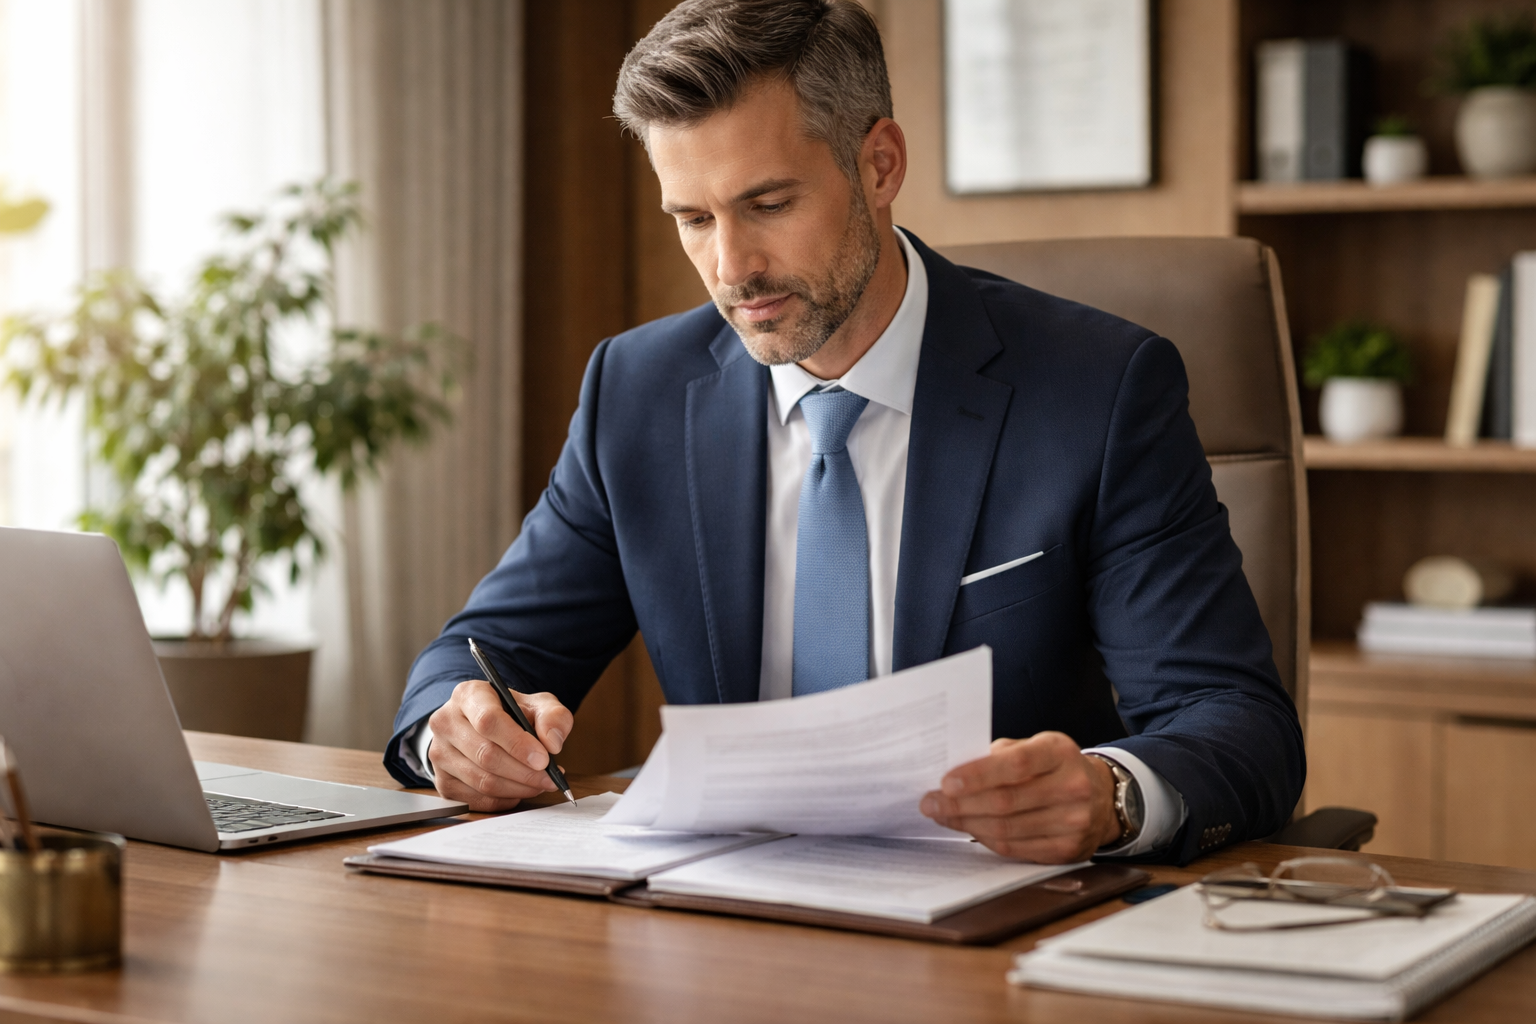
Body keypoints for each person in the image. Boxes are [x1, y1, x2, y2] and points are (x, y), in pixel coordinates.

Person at [384, 0, 1304, 866]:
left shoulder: (1097, 391)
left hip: (989, 922)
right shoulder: (640, 391)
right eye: (692, 220)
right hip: (727, 919)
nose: (731, 267)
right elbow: (478, 657)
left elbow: (1232, 720)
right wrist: (454, 735)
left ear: (880, 164)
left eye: (769, 205)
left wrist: (1111, 795)